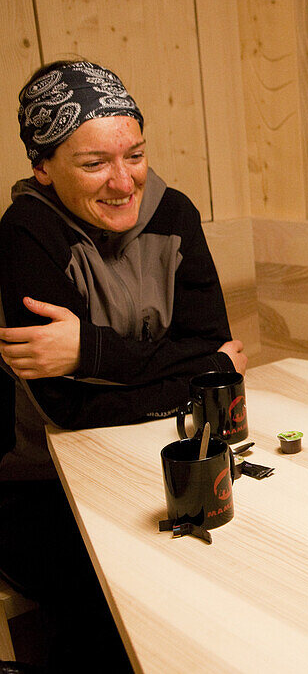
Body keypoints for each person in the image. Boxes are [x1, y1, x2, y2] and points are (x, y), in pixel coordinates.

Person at [0, 59, 245, 670]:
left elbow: (216, 353)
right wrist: (190, 371)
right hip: (39, 486)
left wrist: (91, 351)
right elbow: (68, 411)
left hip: (160, 449)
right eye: (93, 163)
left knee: (237, 572)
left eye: (134, 155)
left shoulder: (176, 214)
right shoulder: (24, 234)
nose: (123, 181)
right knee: (121, 610)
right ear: (43, 166)